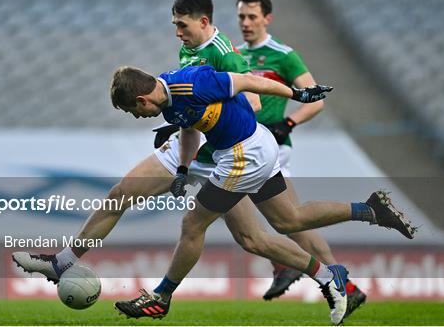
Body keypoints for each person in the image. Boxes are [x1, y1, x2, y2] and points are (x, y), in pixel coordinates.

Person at [110, 64, 416, 325]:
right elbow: (189, 130)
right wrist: (181, 169)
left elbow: (247, 81)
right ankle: (371, 211)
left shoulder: (192, 83)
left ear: (141, 99)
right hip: (256, 145)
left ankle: (161, 297)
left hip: (243, 156)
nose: (137, 117)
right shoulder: (169, 102)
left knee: (194, 225)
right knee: (287, 220)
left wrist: (297, 94)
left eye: (133, 111)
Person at [234, 0, 369, 308]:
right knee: (292, 222)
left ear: (267, 18)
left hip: (271, 147)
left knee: (276, 217)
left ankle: (286, 265)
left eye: (252, 16)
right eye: (241, 16)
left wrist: (289, 123)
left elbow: (315, 99)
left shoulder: (283, 55)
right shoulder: (236, 54)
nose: (245, 22)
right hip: (249, 145)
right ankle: (343, 285)